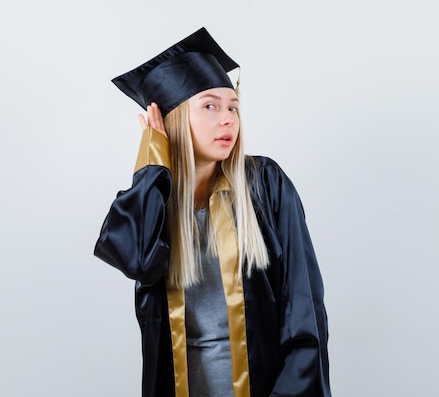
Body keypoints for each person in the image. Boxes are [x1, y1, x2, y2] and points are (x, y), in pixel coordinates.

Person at [94, 27, 331, 397]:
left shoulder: (265, 185)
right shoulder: (154, 200)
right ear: (173, 119)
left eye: (233, 107)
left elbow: (304, 311)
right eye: (210, 106)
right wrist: (154, 167)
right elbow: (137, 260)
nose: (228, 119)